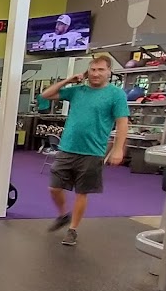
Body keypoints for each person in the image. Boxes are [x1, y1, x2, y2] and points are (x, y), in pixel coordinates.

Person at [40, 53, 129, 246]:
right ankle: (63, 215)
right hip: (67, 148)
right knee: (54, 187)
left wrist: (118, 149)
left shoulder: (116, 95)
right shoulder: (77, 91)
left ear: (109, 72)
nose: (96, 73)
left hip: (93, 151)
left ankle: (72, 229)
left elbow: (122, 123)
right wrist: (69, 80)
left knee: (82, 192)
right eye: (93, 69)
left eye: (101, 70)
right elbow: (45, 95)